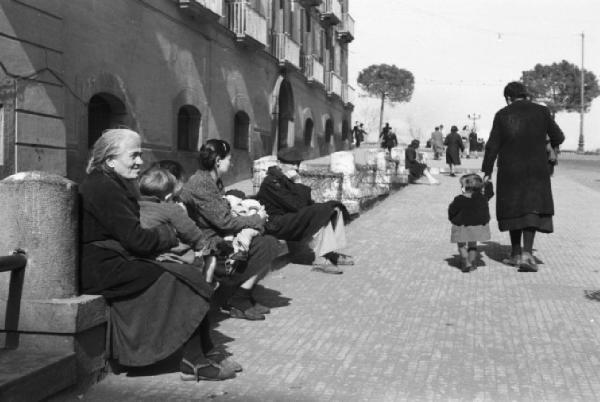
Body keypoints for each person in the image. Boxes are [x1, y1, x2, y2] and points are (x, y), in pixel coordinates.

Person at [79, 129, 238, 382]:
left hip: (115, 261)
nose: (140, 161)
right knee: (188, 278)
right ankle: (194, 362)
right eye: (134, 155)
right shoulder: (103, 187)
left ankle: (204, 352)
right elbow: (138, 240)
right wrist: (168, 233)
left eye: (140, 155)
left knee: (189, 274)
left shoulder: (109, 183)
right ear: (110, 160)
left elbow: (134, 238)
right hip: (106, 268)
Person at [182, 139, 280, 320]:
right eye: (229, 159)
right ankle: (239, 299)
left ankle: (241, 295)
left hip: (221, 234)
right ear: (218, 160)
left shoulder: (212, 180)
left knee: (270, 241)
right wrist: (256, 219)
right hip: (210, 243)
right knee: (269, 245)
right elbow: (224, 222)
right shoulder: (201, 184)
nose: (231, 162)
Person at [482, 81, 565, 272]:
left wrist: (486, 171)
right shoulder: (542, 112)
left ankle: (515, 254)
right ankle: (528, 254)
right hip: (536, 170)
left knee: (514, 209)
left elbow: (492, 145)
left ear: (508, 98)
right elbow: (559, 137)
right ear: (525, 95)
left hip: (510, 171)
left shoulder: (502, 115)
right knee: (531, 209)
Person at [256, 147, 354, 275]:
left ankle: (329, 252)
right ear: (279, 164)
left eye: (297, 164)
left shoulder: (285, 179)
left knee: (332, 209)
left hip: (289, 218)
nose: (296, 168)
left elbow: (304, 203)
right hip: (276, 223)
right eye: (291, 164)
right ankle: (321, 260)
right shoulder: (272, 182)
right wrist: (297, 182)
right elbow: (298, 205)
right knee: (319, 212)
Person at [448, 174, 494, 273]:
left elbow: (452, 210)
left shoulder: (459, 199)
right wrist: (488, 183)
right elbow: (490, 193)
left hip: (462, 225)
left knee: (461, 245)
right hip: (477, 225)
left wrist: (452, 219)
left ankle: (465, 261)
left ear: (464, 187)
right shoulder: (482, 197)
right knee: (472, 245)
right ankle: (471, 262)